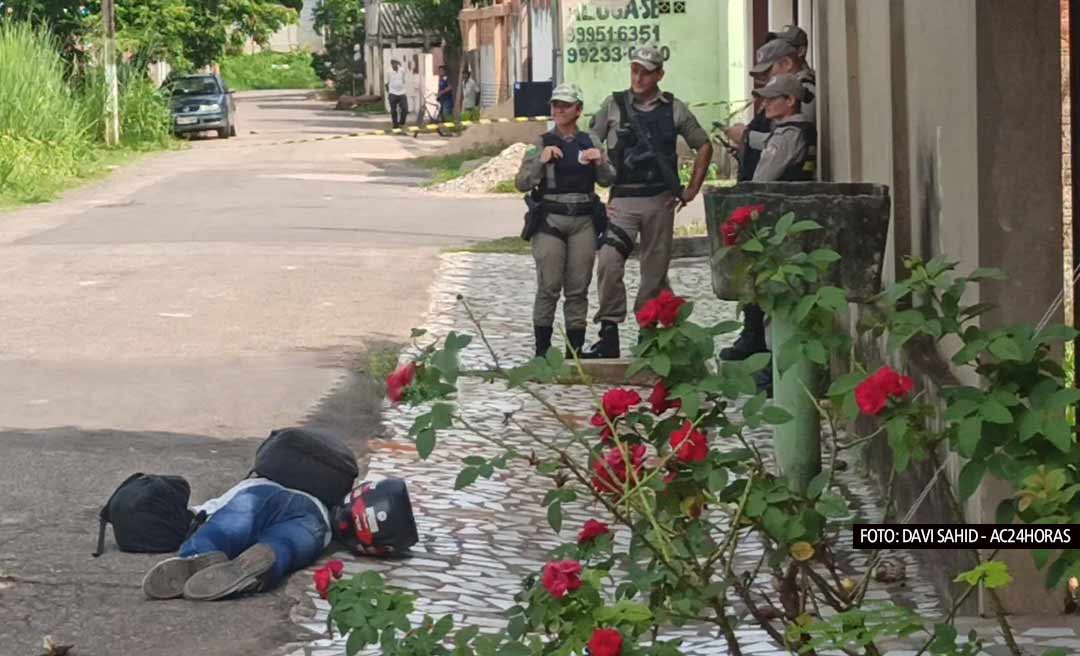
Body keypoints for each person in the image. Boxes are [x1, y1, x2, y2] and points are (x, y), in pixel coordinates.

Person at [584, 45, 714, 359]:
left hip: (660, 200)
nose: (639, 77)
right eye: (635, 70)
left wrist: (692, 189)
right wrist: (593, 187)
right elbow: (588, 142)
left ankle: (648, 335)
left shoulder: (674, 108)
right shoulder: (613, 105)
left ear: (659, 75)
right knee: (609, 263)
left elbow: (703, 144)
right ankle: (609, 331)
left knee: (654, 273)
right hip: (623, 199)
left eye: (646, 72)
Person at [515, 83, 616, 357]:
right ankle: (543, 350)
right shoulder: (542, 142)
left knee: (577, 288)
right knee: (548, 286)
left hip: (583, 219)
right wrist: (540, 162)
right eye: (555, 105)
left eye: (566, 105)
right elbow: (522, 182)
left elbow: (608, 180)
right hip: (550, 220)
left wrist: (601, 162)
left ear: (578, 110)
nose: (559, 110)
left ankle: (575, 349)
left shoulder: (591, 141)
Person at [141, 477, 331, 601]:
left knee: (224, 529)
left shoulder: (252, 482)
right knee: (286, 543)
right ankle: (265, 562)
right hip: (315, 510)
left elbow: (205, 512)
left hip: (259, 491)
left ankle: (197, 554)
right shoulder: (328, 493)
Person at [386, 59, 409, 129]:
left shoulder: (402, 70)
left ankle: (401, 122)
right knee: (393, 110)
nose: (394, 65)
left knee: (405, 108)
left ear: (397, 64)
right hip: (392, 92)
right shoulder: (389, 72)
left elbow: (405, 76)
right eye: (392, 64)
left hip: (402, 92)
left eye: (395, 63)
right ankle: (395, 124)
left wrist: (401, 63)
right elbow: (386, 83)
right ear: (391, 65)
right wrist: (389, 93)